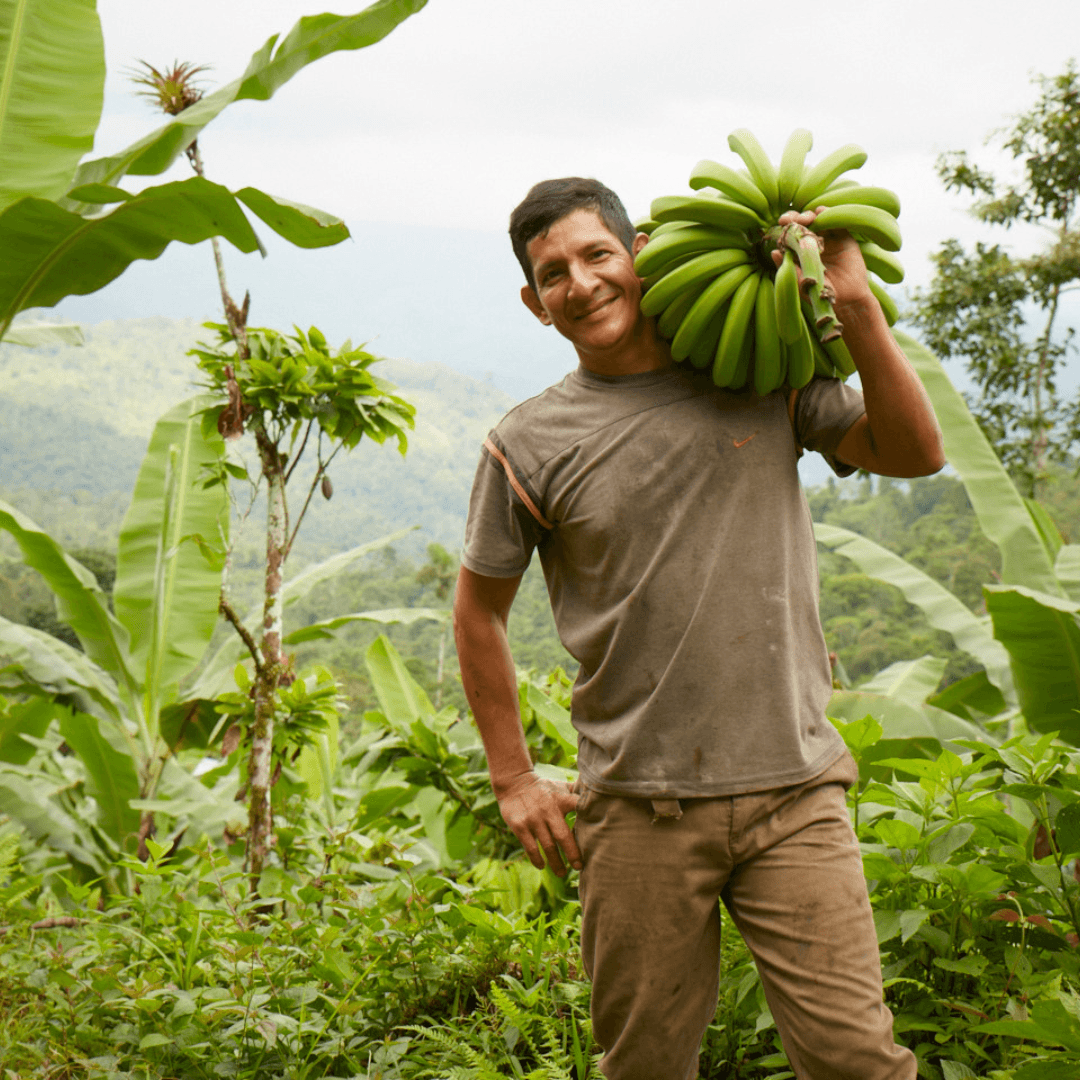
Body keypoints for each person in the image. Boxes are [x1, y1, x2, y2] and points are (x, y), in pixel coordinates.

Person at [453, 176, 944, 1080]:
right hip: (638, 808)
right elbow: (479, 609)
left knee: (857, 1062)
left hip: (795, 792)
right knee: (644, 1066)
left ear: (639, 257)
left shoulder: (756, 372)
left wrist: (856, 304)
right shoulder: (528, 443)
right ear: (534, 304)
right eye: (553, 273)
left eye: (597, 254)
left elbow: (915, 452)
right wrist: (514, 776)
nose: (582, 283)